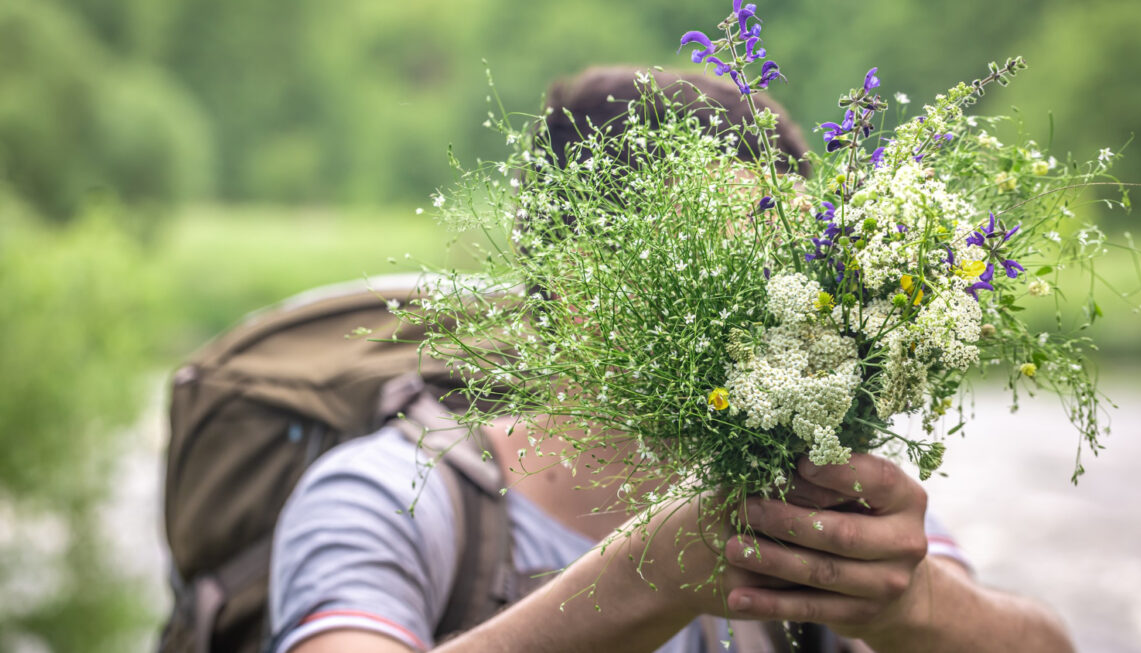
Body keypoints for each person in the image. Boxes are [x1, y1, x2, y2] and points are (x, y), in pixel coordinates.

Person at [266, 67, 1076, 653]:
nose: (778, 298)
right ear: (574, 271)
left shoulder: (811, 490)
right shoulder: (394, 497)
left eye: (794, 261)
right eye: (719, 260)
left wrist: (910, 608)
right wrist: (649, 576)